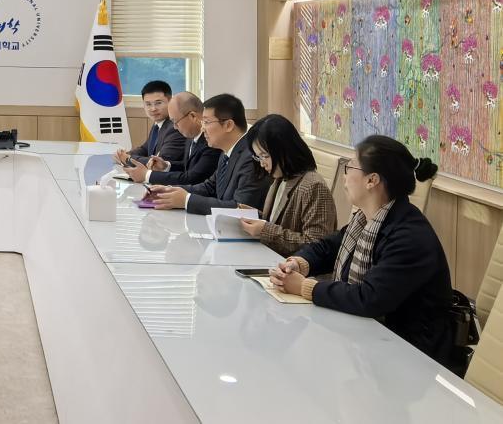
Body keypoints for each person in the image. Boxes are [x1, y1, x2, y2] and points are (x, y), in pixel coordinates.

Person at [269, 135, 457, 370]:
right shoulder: (367, 219)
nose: (345, 176)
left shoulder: (409, 236)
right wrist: (299, 263)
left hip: (411, 355)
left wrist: (305, 287)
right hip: (372, 339)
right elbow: (328, 247)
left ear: (371, 180)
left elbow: (369, 298)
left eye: (349, 167)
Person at [150, 93, 272, 215]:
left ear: (228, 125)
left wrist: (186, 200)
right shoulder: (228, 150)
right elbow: (210, 187)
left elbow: (242, 209)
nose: (202, 128)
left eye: (207, 122)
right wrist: (169, 191)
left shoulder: (251, 157)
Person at [237, 114, 337, 256]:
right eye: (258, 157)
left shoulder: (313, 187)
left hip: (293, 267)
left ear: (285, 150)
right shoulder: (280, 178)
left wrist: (265, 230)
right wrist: (254, 216)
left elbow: (316, 245)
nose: (262, 163)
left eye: (265, 156)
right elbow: (278, 220)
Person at [122, 92, 220, 186]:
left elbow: (192, 178)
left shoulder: (211, 142)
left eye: (175, 122)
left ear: (192, 116)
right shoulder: (190, 136)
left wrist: (147, 175)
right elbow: (186, 167)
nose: (175, 127)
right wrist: (166, 166)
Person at [115, 80, 187, 166]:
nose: (153, 109)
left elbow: (158, 162)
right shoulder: (158, 124)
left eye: (158, 103)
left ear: (170, 102)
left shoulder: (175, 127)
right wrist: (125, 155)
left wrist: (128, 159)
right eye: (148, 104)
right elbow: (145, 149)